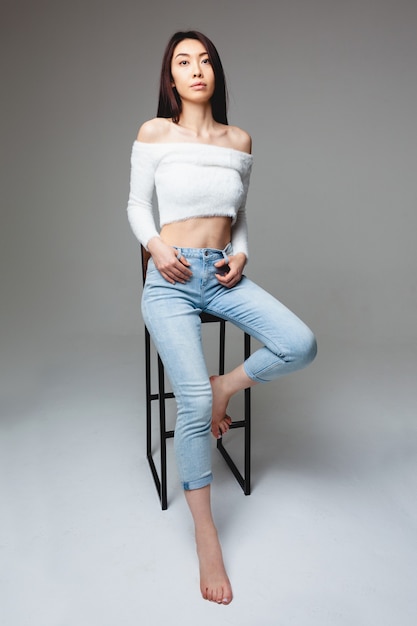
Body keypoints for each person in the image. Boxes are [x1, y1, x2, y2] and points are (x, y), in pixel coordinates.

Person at [126, 30, 317, 605]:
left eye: (204, 59)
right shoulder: (155, 133)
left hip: (223, 274)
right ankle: (206, 534)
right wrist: (157, 248)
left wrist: (241, 253)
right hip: (172, 279)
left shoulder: (239, 139)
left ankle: (221, 386)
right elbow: (137, 204)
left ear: (216, 72)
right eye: (183, 62)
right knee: (190, 403)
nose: (196, 69)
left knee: (300, 343)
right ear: (172, 77)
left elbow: (239, 214)